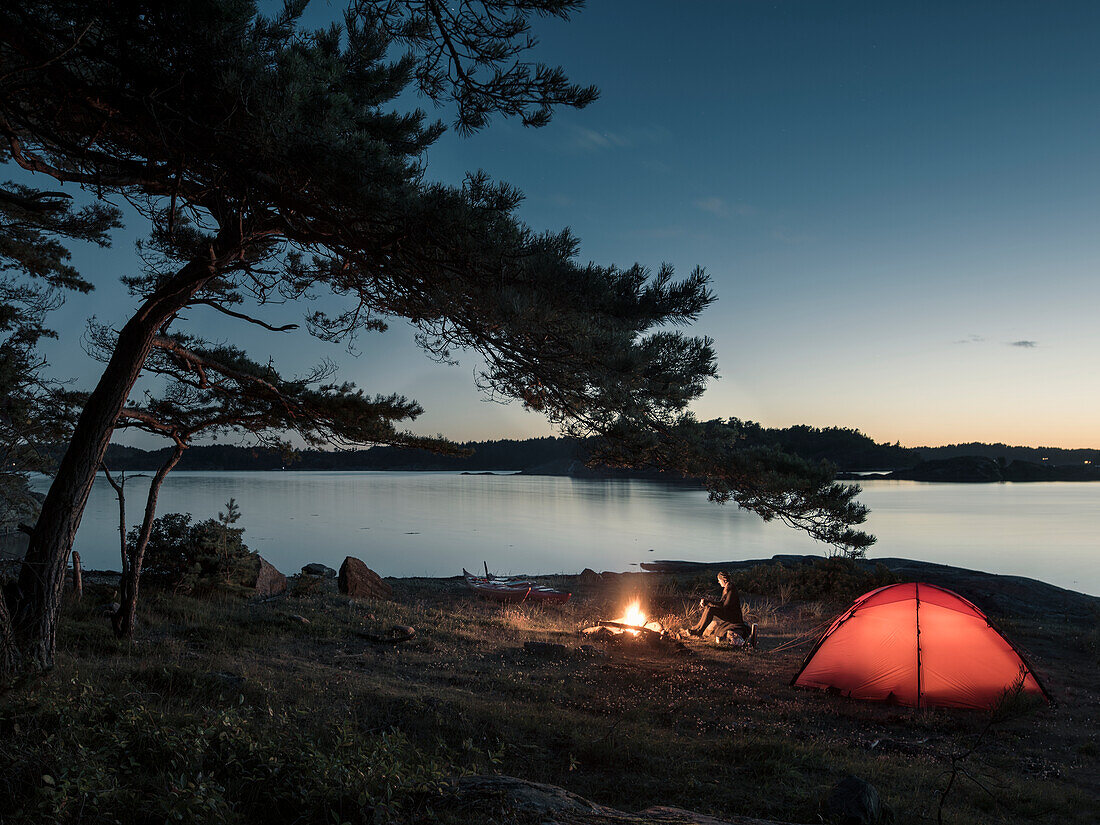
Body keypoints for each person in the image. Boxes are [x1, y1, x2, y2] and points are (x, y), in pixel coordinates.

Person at [686, 571, 756, 648]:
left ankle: (699, 631)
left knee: (710, 609)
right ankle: (697, 629)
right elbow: (722, 603)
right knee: (709, 608)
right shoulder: (728, 588)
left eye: (719, 580)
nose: (718, 582)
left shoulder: (731, 590)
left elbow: (724, 605)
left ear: (724, 580)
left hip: (733, 617)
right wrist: (708, 603)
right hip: (728, 613)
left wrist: (709, 602)